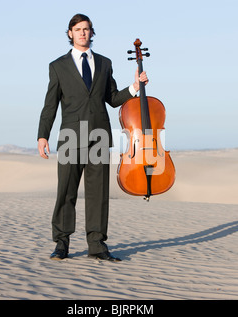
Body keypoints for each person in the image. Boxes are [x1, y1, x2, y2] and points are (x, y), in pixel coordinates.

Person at [37, 13, 148, 261]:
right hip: (70, 136)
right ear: (70, 33)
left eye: (86, 29)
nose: (82, 33)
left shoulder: (105, 63)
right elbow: (50, 105)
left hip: (99, 135)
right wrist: (42, 136)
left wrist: (134, 88)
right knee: (66, 192)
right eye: (78, 29)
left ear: (91, 32)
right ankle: (62, 244)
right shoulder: (58, 66)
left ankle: (97, 246)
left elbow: (112, 98)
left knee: (98, 194)